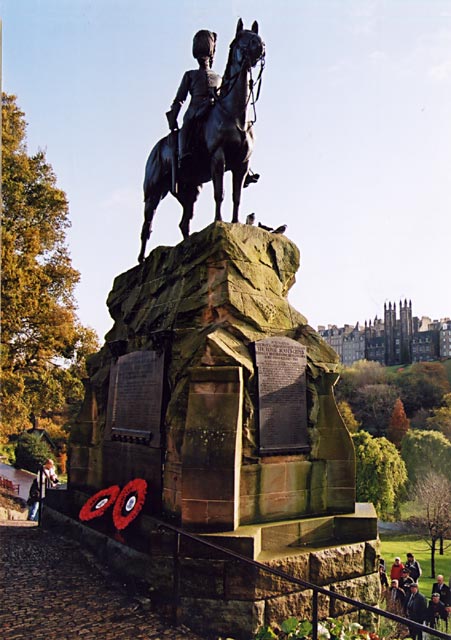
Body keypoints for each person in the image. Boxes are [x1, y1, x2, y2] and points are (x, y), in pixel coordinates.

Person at [166, 29, 259, 186]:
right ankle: (184, 156)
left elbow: (225, 95)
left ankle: (244, 167)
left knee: (232, 130)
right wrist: (173, 116)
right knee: (187, 128)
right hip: (195, 111)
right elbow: (179, 100)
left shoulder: (218, 77)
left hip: (213, 110)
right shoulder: (190, 75)